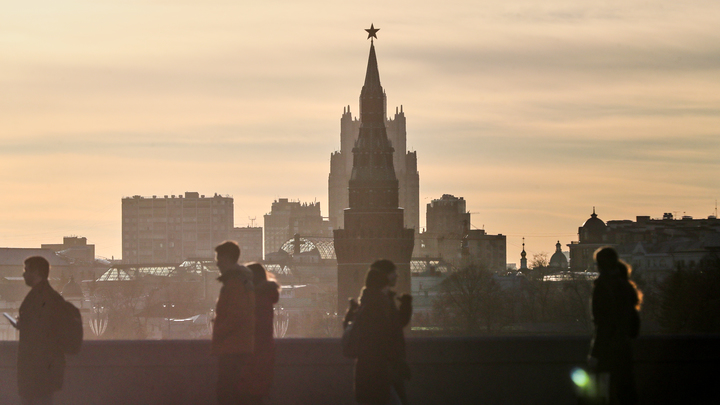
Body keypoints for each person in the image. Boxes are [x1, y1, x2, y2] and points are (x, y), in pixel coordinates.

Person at [346, 259, 412, 405]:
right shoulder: (378, 303)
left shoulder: (372, 300)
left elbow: (394, 326)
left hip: (374, 371)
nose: (397, 276)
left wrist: (406, 306)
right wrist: (398, 362)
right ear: (384, 277)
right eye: (393, 272)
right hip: (380, 372)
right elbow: (385, 336)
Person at [589, 247, 642, 405]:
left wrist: (595, 354)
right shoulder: (625, 286)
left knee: (603, 393)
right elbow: (634, 326)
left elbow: (603, 323)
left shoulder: (603, 286)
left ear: (599, 265)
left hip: (607, 350)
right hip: (624, 349)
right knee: (626, 393)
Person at [17, 256, 66, 405]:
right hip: (44, 370)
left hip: (36, 371)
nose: (23, 274)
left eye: (26, 270)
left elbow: (40, 330)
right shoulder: (50, 295)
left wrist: (24, 325)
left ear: (36, 272)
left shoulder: (39, 296)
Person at [212, 241, 255, 405]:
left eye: (219, 258)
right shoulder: (240, 281)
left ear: (227, 258)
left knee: (228, 395)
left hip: (232, 350)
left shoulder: (235, 283)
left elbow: (237, 316)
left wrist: (220, 331)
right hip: (238, 348)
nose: (217, 263)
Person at [240, 263, 281, 405]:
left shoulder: (256, 298)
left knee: (248, 394)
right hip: (265, 351)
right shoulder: (266, 297)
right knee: (258, 393)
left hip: (252, 352)